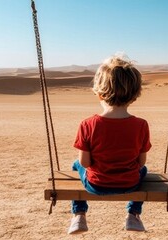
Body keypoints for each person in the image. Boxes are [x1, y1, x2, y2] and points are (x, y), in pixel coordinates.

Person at [68, 54, 152, 234]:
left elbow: (84, 163)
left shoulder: (87, 124)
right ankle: (133, 214)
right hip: (129, 184)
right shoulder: (141, 125)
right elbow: (140, 163)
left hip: (96, 185)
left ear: (99, 93)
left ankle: (79, 214)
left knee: (75, 165)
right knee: (144, 171)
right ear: (135, 95)